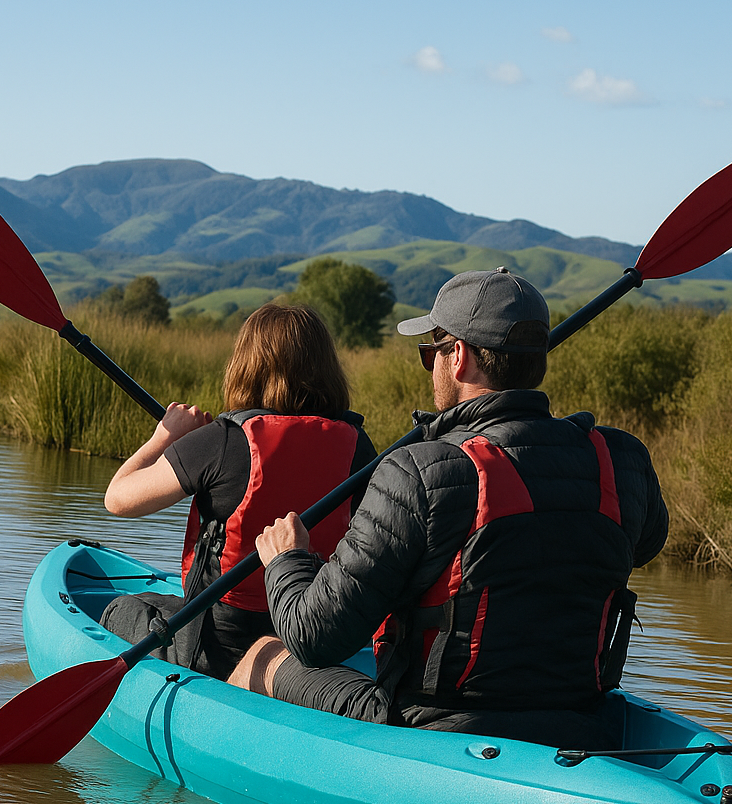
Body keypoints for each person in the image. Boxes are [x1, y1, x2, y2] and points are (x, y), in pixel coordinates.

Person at [228, 268, 667, 749]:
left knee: (265, 651)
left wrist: (287, 561)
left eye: (430, 351)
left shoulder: (417, 471)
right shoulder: (621, 460)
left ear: (457, 356)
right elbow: (645, 542)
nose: (430, 363)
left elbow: (312, 637)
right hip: (584, 721)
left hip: (437, 729)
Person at [100, 303, 377, 681]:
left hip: (216, 646)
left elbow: (117, 498)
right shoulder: (358, 446)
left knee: (119, 608)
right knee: (153, 601)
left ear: (246, 365)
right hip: (307, 635)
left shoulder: (223, 441)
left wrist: (164, 435)